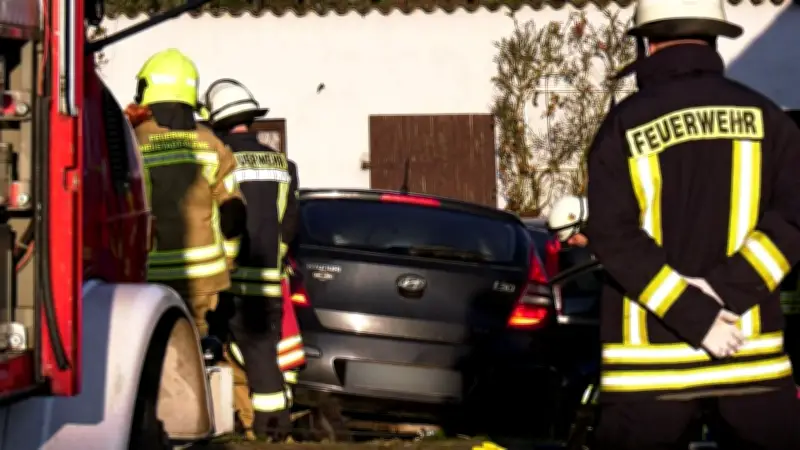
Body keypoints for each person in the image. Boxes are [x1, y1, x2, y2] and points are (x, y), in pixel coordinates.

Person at [584, 1, 800, 449]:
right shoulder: (771, 120)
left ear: (648, 43)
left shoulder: (624, 124)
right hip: (749, 360)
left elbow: (612, 235)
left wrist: (693, 310)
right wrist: (727, 291)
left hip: (648, 371)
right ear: (715, 38)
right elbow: (795, 219)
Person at [203, 78, 299, 441]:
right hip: (269, 278)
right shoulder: (282, 164)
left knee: (234, 351)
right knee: (262, 351)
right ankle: (271, 424)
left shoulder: (217, 160)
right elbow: (290, 222)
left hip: (229, 275)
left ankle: (260, 426)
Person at [126, 49, 245, 339]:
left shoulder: (132, 140)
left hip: (148, 276)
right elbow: (233, 213)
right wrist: (227, 266)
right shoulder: (210, 143)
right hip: (205, 279)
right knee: (198, 348)